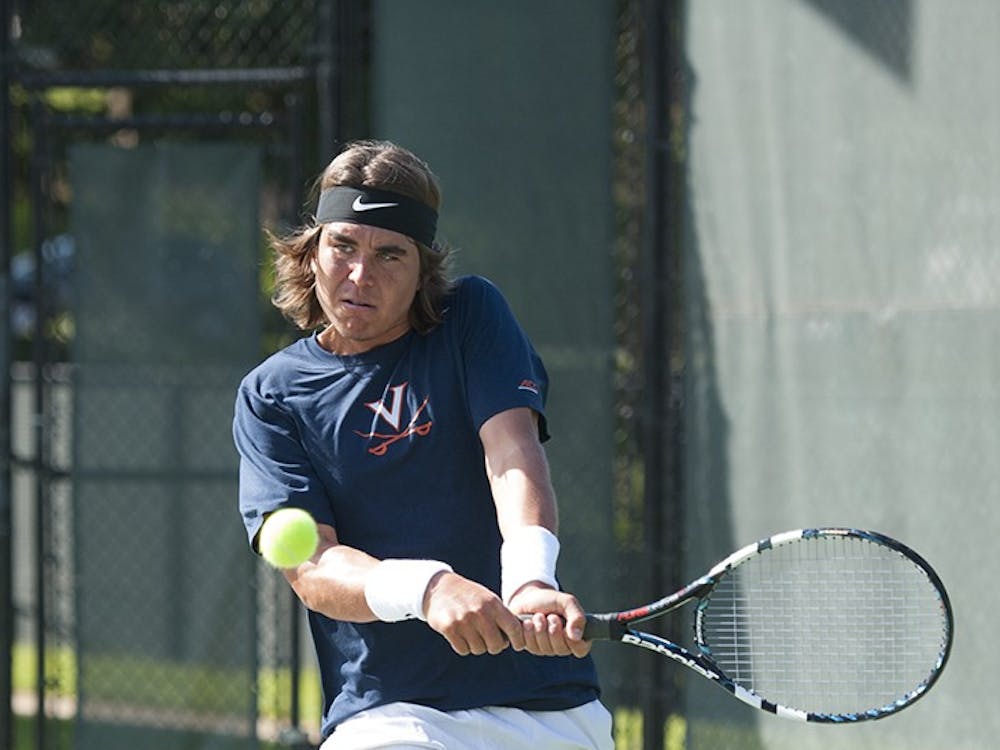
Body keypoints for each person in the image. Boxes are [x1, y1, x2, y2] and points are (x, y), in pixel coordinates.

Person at [233, 140, 613, 749]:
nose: (361, 275)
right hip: (393, 718)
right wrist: (428, 589)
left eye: (390, 254)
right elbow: (312, 567)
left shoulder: (471, 317)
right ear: (311, 252)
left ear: (422, 271)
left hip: (547, 711)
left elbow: (512, 455)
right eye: (343, 246)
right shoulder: (272, 396)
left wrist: (530, 582)